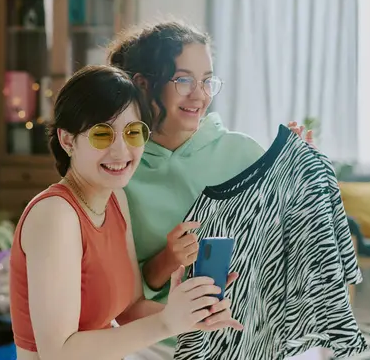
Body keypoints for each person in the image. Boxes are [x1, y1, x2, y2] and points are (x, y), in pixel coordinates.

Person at [108, 21, 315, 359]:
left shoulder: (244, 153)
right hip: (163, 343)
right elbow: (127, 300)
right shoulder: (122, 172)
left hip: (249, 334)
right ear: (144, 85)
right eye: (184, 80)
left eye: (207, 81)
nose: (200, 95)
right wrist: (169, 258)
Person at [8, 65, 242, 360]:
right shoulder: (56, 215)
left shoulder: (115, 199)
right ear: (68, 141)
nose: (121, 151)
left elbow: (132, 309)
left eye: (133, 133)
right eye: (102, 135)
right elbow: (59, 352)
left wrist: (194, 314)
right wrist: (167, 322)